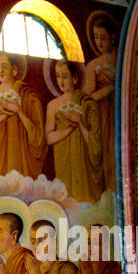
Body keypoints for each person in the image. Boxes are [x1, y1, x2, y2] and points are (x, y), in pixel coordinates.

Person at [0, 50, 45, 179]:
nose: (0, 71)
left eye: (4, 66)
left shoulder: (27, 94)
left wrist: (18, 111)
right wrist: (4, 115)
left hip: (19, 151)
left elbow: (38, 134)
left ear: (14, 70)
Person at [45, 60, 104, 203]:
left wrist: (79, 123)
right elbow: (49, 138)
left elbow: (95, 143)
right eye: (58, 76)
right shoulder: (53, 105)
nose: (61, 81)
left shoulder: (86, 103)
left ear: (75, 78)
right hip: (63, 161)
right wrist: (70, 128)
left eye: (64, 76)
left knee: (85, 204)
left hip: (84, 163)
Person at [83, 14, 118, 189]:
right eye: (96, 37)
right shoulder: (93, 66)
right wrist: (108, 89)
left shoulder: (122, 60)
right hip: (103, 117)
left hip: (121, 113)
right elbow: (87, 99)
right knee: (107, 153)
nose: (99, 42)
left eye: (102, 37)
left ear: (112, 37)